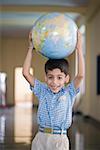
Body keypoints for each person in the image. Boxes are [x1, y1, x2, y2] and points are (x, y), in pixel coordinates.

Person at [22, 30, 84, 150]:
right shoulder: (42, 90)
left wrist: (79, 49)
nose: (54, 82)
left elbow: (80, 75)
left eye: (59, 78)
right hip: (41, 137)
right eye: (50, 77)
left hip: (59, 139)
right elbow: (25, 73)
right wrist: (30, 48)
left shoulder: (69, 92)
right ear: (45, 78)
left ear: (66, 79)